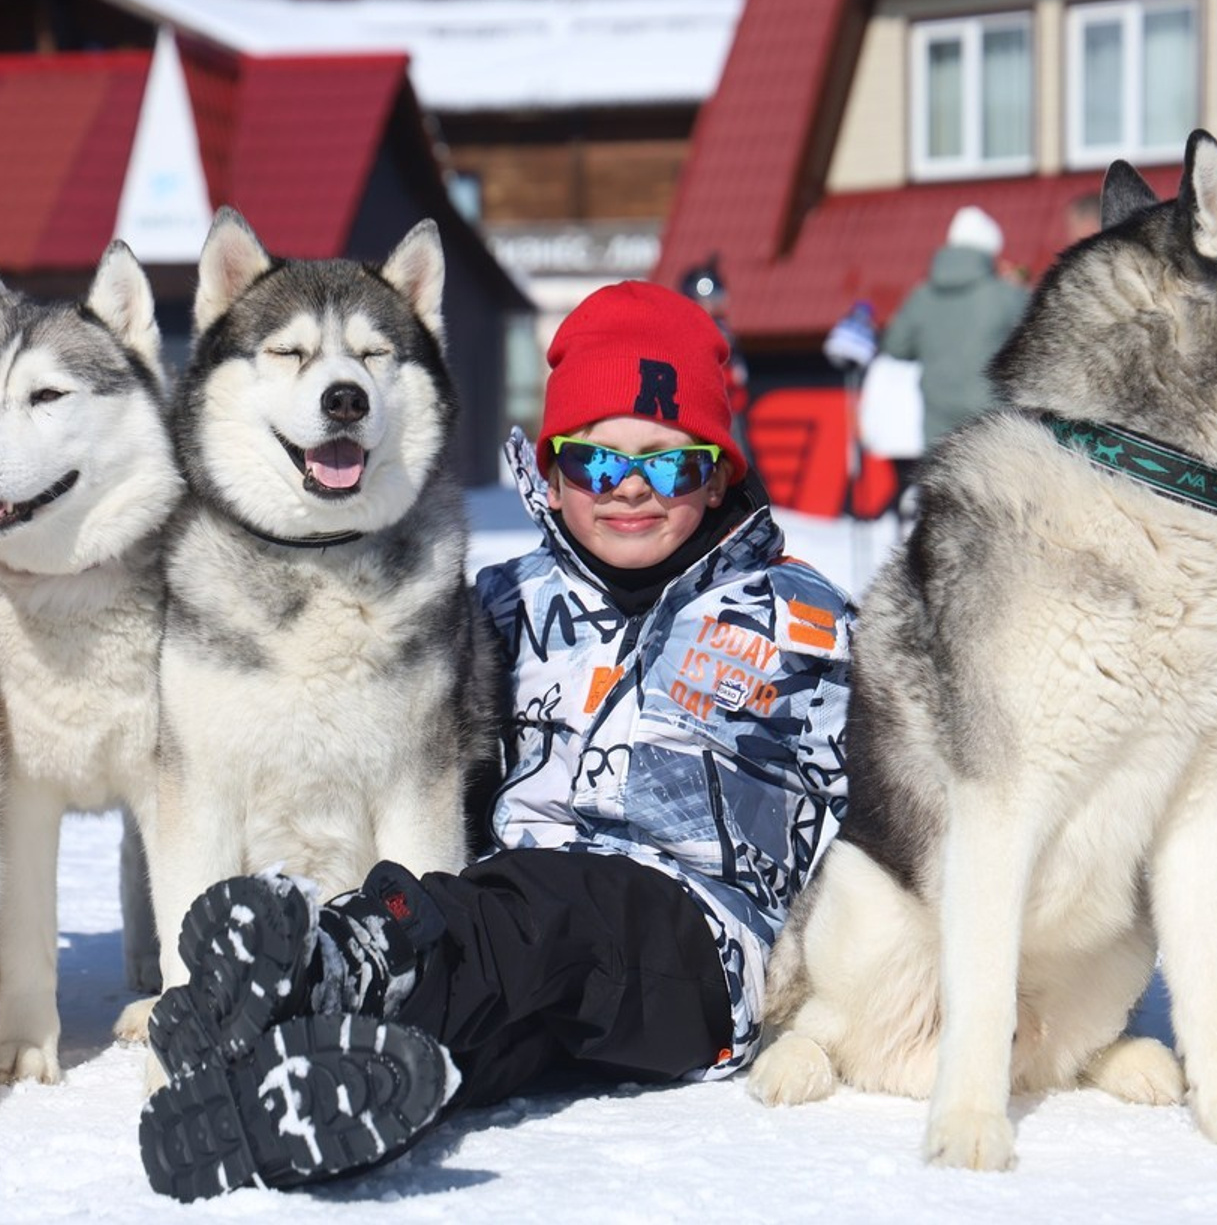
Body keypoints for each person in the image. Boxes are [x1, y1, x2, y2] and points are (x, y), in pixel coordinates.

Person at [138, 280, 854, 1202]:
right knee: (476, 1017)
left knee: (552, 905)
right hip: (516, 950)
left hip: (696, 949)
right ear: (551, 471)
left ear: (718, 474)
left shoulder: (802, 622)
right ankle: (297, 1087)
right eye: (595, 464)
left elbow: (893, 805)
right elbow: (437, 767)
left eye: (669, 466)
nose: (630, 487)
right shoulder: (504, 603)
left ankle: (339, 970)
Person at [879, 204, 1027, 449]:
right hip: (993, 427)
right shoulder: (1007, 296)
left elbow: (895, 346)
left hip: (938, 428)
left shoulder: (921, 297)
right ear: (989, 252)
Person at [679, 255, 752, 465]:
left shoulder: (722, 329)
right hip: (709, 412)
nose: (717, 302)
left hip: (731, 410)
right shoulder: (691, 333)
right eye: (711, 296)